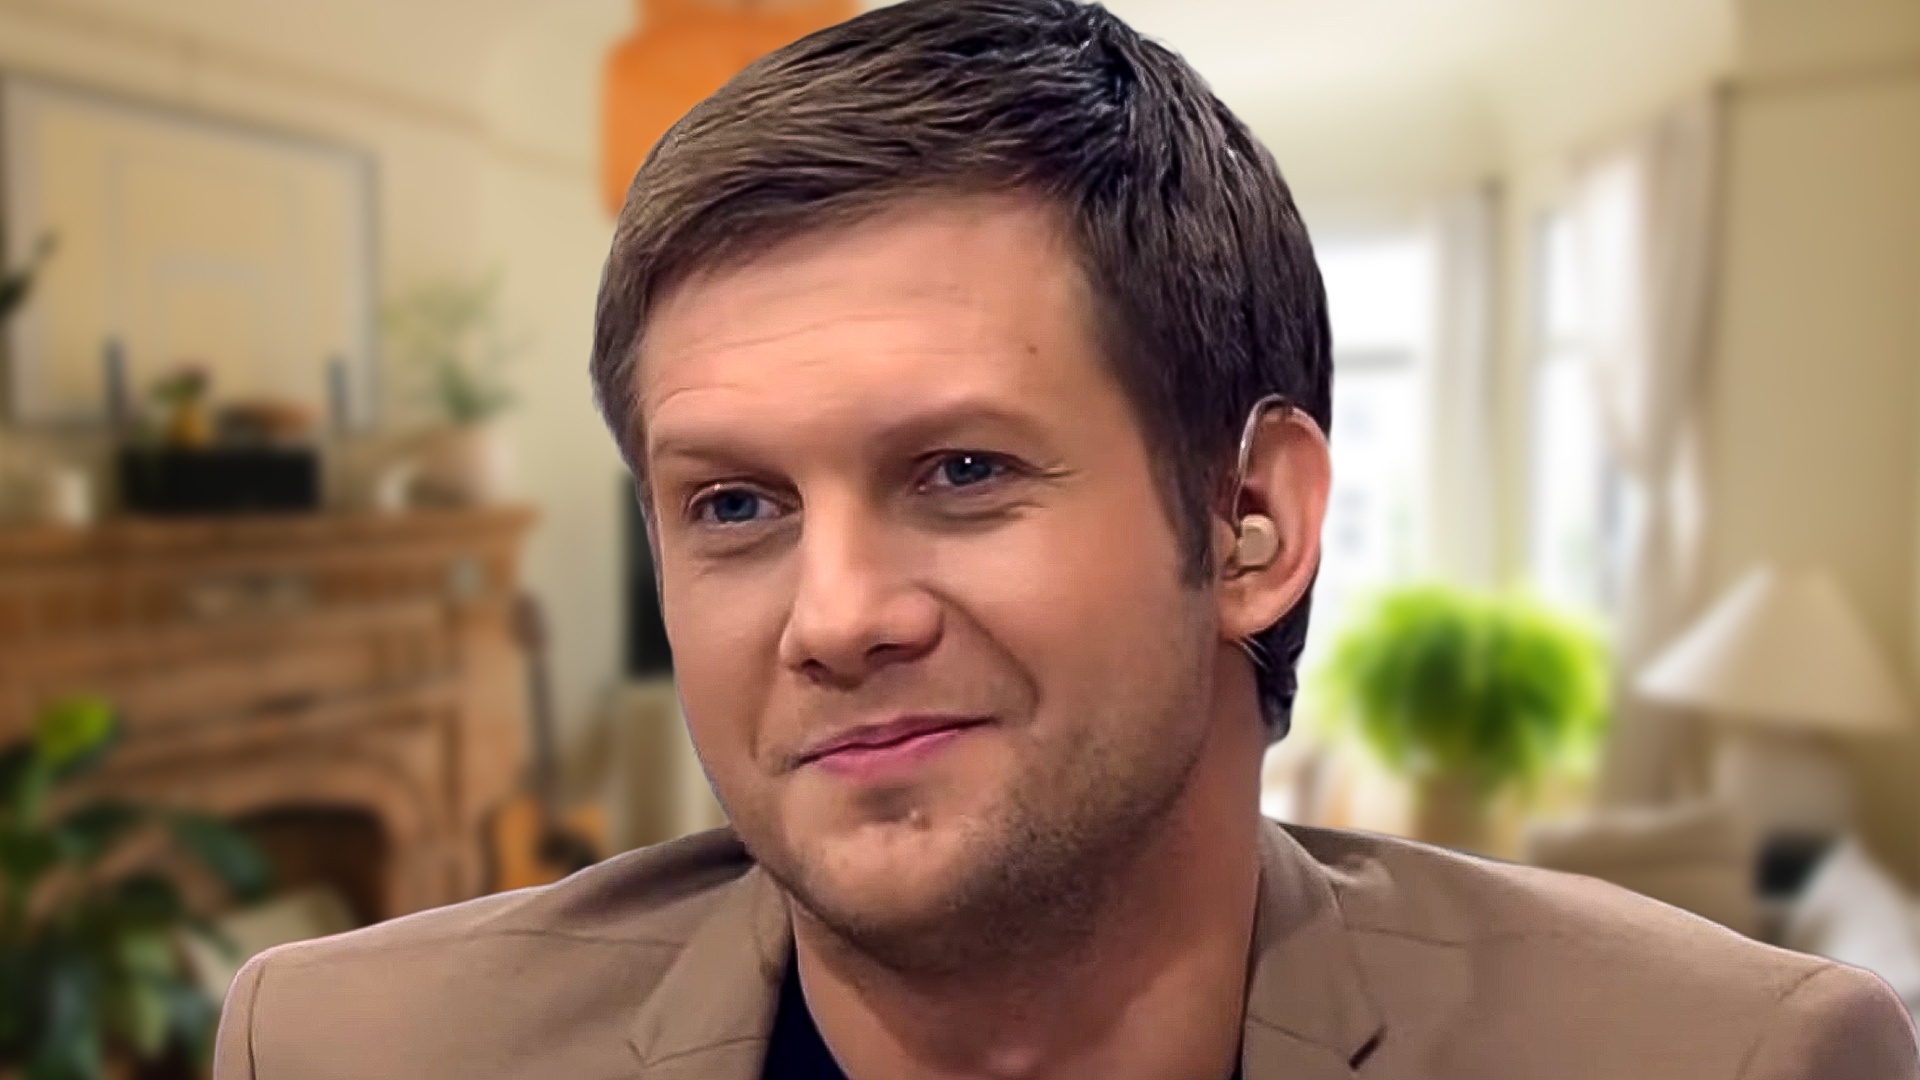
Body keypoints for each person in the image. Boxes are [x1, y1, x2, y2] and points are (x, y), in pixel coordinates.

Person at [212, 2, 1919, 1078]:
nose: (834, 616)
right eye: (734, 505)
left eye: (960, 470)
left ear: (1252, 522)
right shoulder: (348, 1050)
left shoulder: (1729, 1060)